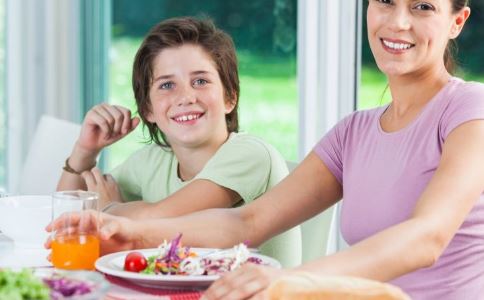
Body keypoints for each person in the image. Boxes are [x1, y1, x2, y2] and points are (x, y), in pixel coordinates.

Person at [47, 1, 484, 299]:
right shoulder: (354, 132)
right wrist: (135, 233)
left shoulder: (469, 110)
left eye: (422, 6)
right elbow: (249, 220)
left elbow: (427, 237)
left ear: (456, 21)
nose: (398, 22)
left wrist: (289, 281)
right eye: (385, 1)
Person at [55, 17, 302, 268]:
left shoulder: (250, 155)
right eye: (167, 85)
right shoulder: (151, 161)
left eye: (200, 81)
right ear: (148, 109)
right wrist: (85, 150)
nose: (185, 97)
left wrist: (109, 208)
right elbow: (64, 221)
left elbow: (160, 216)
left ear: (230, 97)